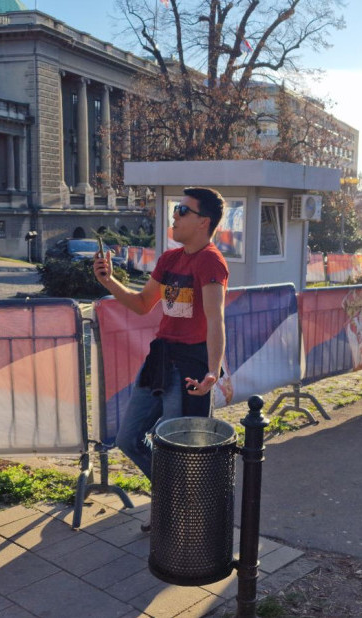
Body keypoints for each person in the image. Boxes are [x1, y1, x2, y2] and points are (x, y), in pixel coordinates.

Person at [93, 187, 229, 485]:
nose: (174, 216)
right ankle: (173, 498)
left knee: (174, 446)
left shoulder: (211, 261)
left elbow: (215, 318)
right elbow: (142, 305)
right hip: (160, 360)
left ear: (203, 221)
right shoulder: (169, 259)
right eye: (175, 210)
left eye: (182, 211)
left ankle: (179, 508)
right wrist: (109, 281)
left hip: (190, 366)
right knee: (128, 438)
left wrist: (212, 371)